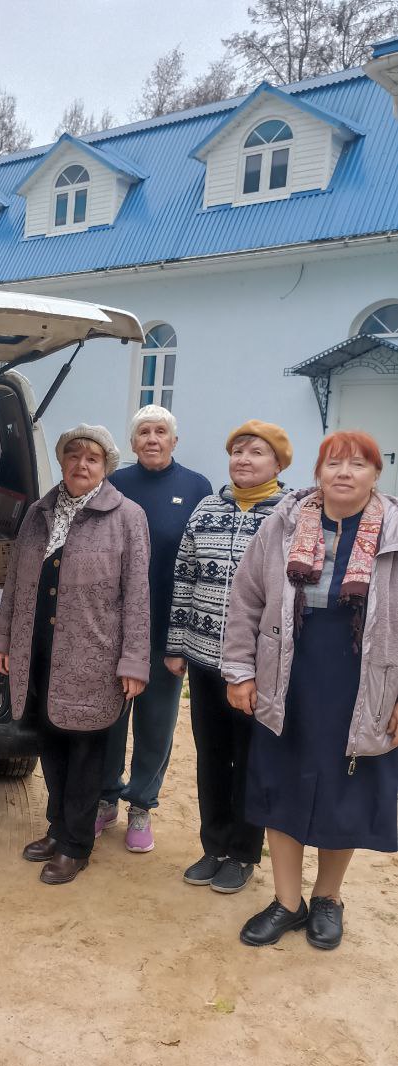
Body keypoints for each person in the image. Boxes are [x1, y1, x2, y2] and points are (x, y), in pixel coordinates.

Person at [223, 431, 398, 950]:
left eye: (358, 464)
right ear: (318, 472)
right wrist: (240, 671)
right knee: (282, 784)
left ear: (376, 474)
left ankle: (327, 898)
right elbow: (246, 599)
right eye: (333, 463)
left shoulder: (393, 531)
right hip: (287, 678)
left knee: (345, 791)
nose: (344, 473)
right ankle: (286, 902)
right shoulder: (283, 523)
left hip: (363, 684)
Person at [0, 424, 150, 884]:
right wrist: (3, 638)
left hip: (94, 654)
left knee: (85, 748)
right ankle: (57, 829)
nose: (82, 465)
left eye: (92, 459)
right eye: (73, 455)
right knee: (52, 741)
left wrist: (134, 660)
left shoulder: (127, 516)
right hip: (39, 648)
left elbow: (137, 594)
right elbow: (16, 582)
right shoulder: (39, 513)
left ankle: (76, 845)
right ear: (61, 461)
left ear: (106, 467)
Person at [165, 421, 292, 894]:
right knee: (212, 756)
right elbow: (185, 577)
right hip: (203, 658)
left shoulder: (291, 517)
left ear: (278, 463)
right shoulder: (206, 509)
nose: (243, 459)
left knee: (251, 759)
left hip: (259, 667)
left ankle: (243, 852)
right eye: (237, 451)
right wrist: (176, 644)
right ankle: (214, 846)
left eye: (256, 452)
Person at [98, 406, 212, 853]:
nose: (152, 438)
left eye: (160, 431)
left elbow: (200, 565)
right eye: (143, 431)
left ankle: (141, 805)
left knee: (157, 723)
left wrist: (183, 640)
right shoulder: (114, 484)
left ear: (174, 441)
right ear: (132, 442)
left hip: (167, 629)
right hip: (114, 629)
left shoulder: (197, 487)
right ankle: (105, 798)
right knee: (109, 719)